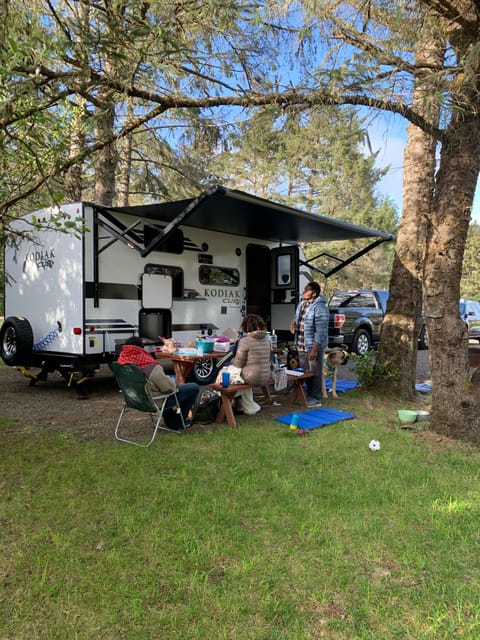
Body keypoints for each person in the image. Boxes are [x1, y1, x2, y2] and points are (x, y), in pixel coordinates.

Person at [117, 337, 199, 429]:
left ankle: (171, 421)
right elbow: (169, 388)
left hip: (134, 400)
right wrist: (172, 381)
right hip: (153, 402)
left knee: (159, 389)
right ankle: (179, 422)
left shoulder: (122, 364)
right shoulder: (148, 365)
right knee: (193, 387)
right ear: (141, 349)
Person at [289, 281, 329, 407]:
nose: (304, 291)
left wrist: (314, 349)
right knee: (304, 371)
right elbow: (297, 319)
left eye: (307, 289)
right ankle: (305, 394)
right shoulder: (301, 304)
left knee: (315, 372)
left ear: (314, 293)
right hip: (301, 343)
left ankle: (315, 398)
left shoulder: (320, 307)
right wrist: (293, 323)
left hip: (313, 345)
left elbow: (321, 330)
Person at [230, 314, 272, 415]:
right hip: (266, 375)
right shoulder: (267, 339)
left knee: (226, 373)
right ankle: (245, 405)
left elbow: (238, 364)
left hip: (251, 376)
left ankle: (228, 400)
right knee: (244, 381)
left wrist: (231, 361)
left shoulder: (245, 341)